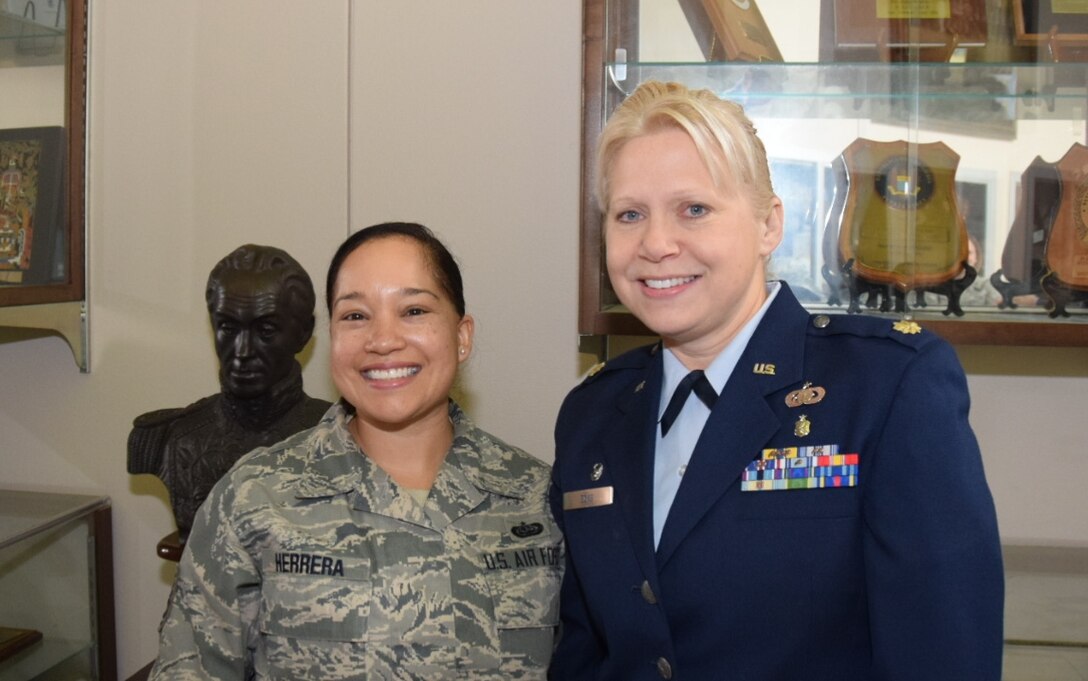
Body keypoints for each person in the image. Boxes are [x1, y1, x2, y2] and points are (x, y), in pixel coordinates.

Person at [549, 81, 1003, 681]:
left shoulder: (885, 387)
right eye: (629, 214)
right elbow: (585, 651)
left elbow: (944, 656)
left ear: (769, 226)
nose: (656, 244)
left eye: (694, 209)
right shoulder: (594, 413)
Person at [150, 223, 562, 680]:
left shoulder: (537, 498)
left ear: (462, 336)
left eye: (413, 310)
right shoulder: (253, 498)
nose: (382, 340)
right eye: (355, 316)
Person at [128, 244, 331, 543]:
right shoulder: (166, 437)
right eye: (228, 327)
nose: (242, 351)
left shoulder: (342, 435)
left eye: (266, 330)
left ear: (303, 333)